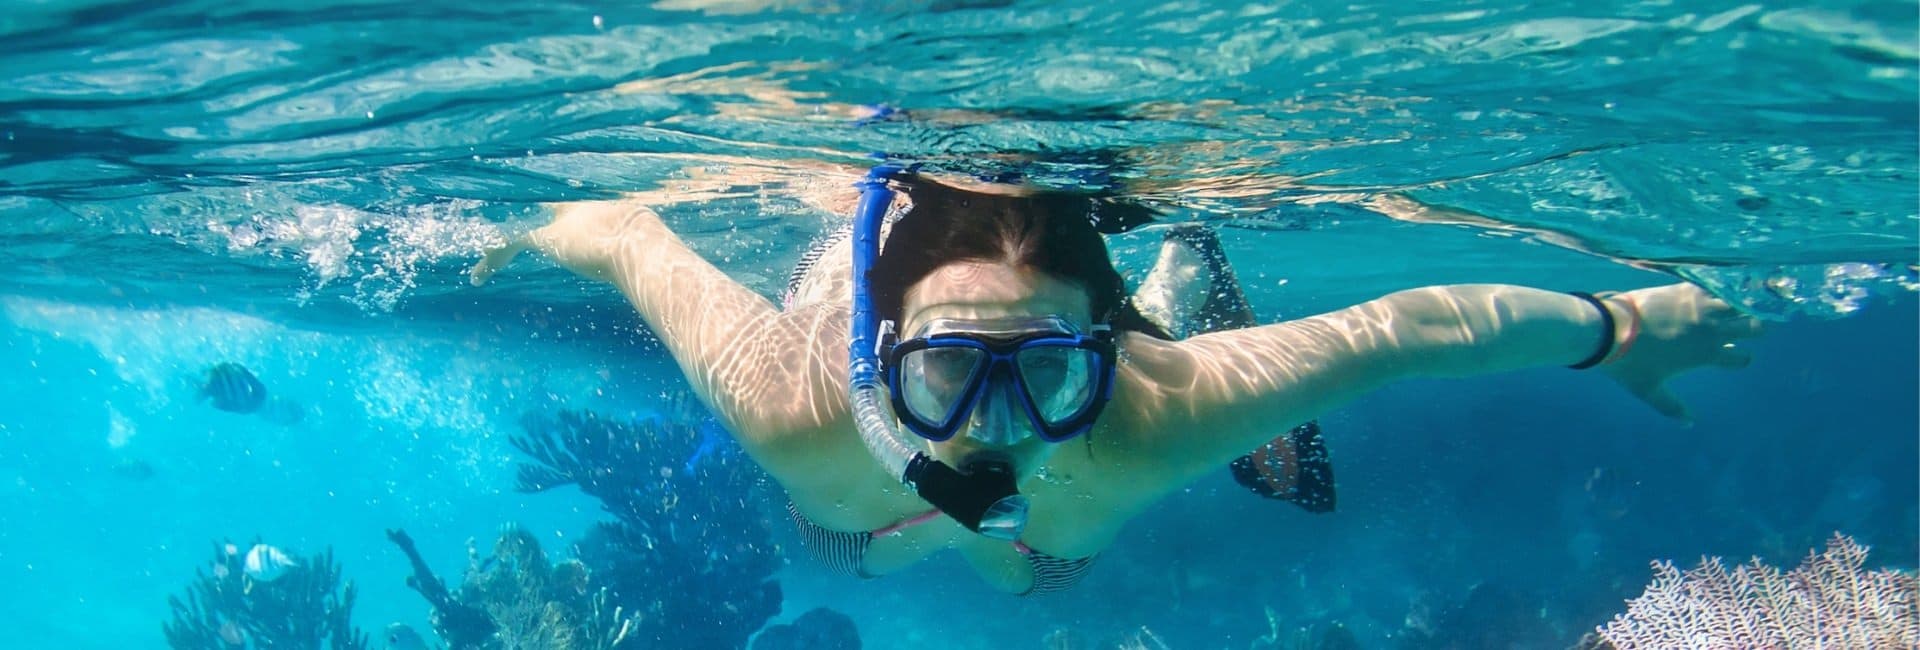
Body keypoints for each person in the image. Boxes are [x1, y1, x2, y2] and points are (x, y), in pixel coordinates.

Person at [470, 168, 1761, 595]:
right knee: (860, 543)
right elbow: (630, 231)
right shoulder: (793, 405)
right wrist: (532, 230)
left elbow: (1407, 328)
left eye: (1042, 375)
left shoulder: (1152, 411)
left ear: (1104, 354)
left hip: (1083, 430)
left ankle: (1177, 285)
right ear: (878, 359)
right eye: (947, 372)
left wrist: (1621, 325)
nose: (992, 428)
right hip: (861, 508)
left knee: (1030, 561)